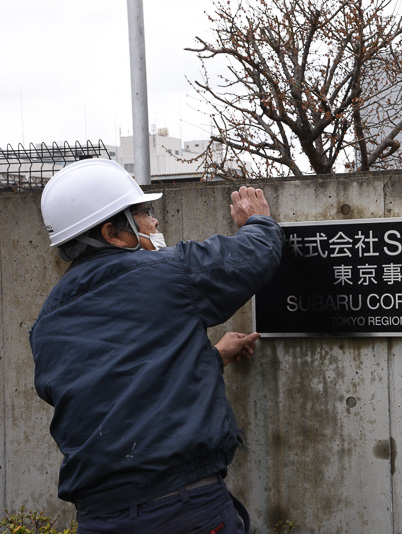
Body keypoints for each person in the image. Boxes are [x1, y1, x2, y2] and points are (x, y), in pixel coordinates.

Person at [29, 158, 284, 533]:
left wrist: (210, 358)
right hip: (182, 509)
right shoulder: (165, 273)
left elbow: (115, 388)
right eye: (145, 213)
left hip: (98, 518)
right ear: (112, 232)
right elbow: (252, 258)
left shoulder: (47, 323)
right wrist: (258, 221)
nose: (155, 222)